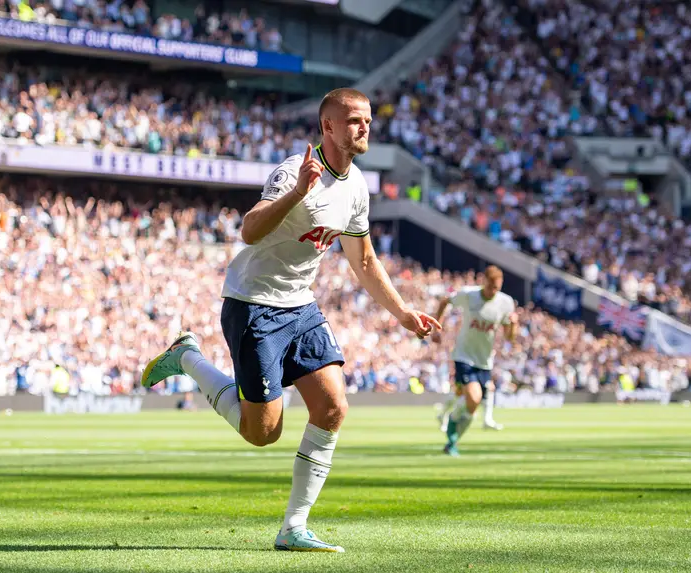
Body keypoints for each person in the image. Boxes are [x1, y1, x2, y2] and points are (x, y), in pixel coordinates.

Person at [140, 88, 441, 552]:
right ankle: (187, 358)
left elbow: (362, 260)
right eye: (356, 121)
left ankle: (293, 527)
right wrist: (299, 191)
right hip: (253, 303)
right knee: (262, 433)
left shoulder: (357, 185)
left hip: (300, 305)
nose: (365, 128)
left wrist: (402, 312)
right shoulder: (293, 172)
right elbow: (250, 229)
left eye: (368, 122)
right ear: (329, 127)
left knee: (334, 407)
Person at [432, 266, 517, 456]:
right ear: (483, 281)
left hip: (484, 360)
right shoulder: (469, 295)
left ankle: (452, 438)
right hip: (463, 355)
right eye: (490, 287)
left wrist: (514, 324)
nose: (493, 292)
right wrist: (437, 327)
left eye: (496, 288)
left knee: (472, 405)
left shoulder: (505, 303)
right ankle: (450, 429)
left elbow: (510, 337)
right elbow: (445, 300)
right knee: (474, 397)